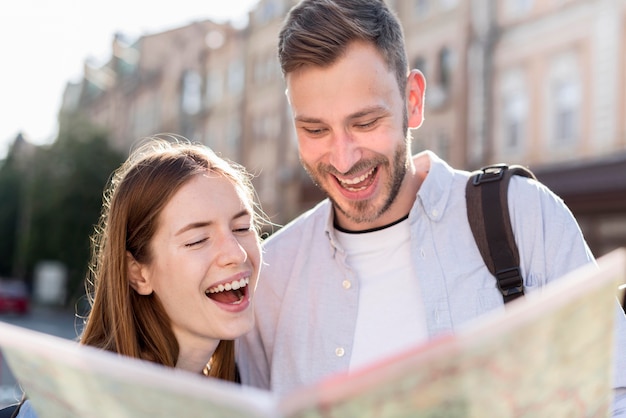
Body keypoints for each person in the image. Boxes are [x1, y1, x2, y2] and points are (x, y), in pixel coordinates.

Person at [235, 0, 626, 412]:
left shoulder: (524, 216)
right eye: (315, 129)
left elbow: (614, 393)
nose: (344, 158)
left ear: (414, 100)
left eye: (365, 123)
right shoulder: (272, 275)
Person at [15, 136, 265, 417]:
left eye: (243, 228)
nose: (237, 254)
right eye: (197, 240)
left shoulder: (233, 400)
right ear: (138, 272)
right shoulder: (72, 404)